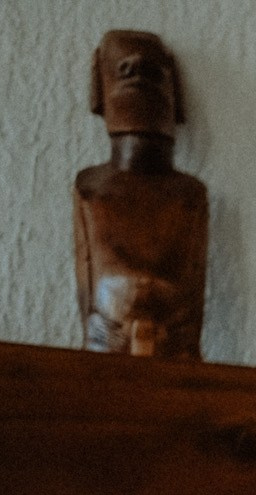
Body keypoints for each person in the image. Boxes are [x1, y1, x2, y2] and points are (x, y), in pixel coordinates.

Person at [73, 30, 207, 358]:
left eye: (151, 69)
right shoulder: (88, 189)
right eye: (124, 66)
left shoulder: (191, 196)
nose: (136, 71)